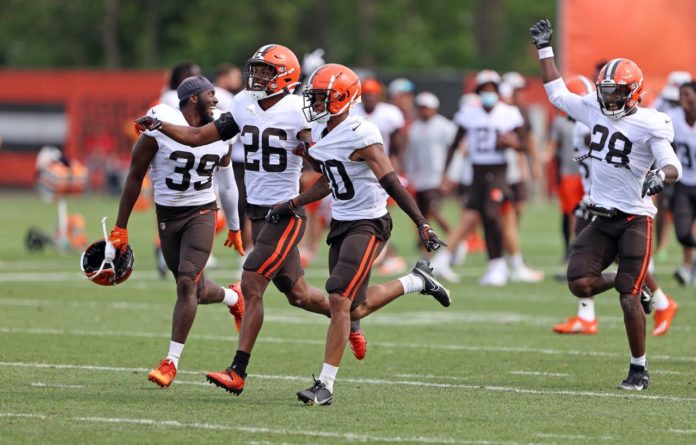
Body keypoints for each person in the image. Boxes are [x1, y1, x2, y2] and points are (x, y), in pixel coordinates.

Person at [134, 45, 366, 396]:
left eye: (265, 72)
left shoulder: (297, 111)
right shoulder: (243, 103)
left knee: (252, 284)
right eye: (255, 70)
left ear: (285, 76)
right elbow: (198, 137)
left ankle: (237, 371)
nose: (257, 76)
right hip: (257, 213)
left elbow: (325, 164)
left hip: (284, 213)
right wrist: (158, 125)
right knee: (299, 295)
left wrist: (308, 154)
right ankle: (348, 318)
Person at [267, 63, 450, 405]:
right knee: (355, 309)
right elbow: (329, 179)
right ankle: (416, 281)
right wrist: (294, 202)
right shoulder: (321, 131)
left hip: (369, 222)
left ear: (342, 98)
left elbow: (390, 180)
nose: (315, 103)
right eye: (315, 97)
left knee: (337, 297)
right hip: (342, 222)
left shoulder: (361, 131)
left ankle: (325, 385)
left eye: (322, 97)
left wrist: (421, 222)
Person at [530, 19, 682, 390]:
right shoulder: (593, 109)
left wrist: (660, 177)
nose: (609, 98)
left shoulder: (652, 123)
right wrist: (544, 50)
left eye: (616, 92)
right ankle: (633, 284)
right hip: (600, 216)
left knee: (628, 299)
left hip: (634, 219)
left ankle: (639, 368)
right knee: (580, 283)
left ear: (634, 93)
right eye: (606, 91)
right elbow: (556, 93)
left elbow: (672, 163)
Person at [110, 76, 245, 388]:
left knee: (186, 283)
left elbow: (226, 182)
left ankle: (170, 362)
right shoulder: (160, 126)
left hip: (202, 212)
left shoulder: (220, 132)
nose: (216, 99)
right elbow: (134, 177)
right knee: (193, 290)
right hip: (168, 216)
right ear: (193, 98)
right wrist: (120, 227)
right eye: (210, 94)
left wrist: (235, 226)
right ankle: (232, 296)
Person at [430, 69, 541, 285]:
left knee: (492, 214)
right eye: (484, 89)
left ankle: (497, 265)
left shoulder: (508, 113)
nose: (488, 93)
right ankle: (507, 265)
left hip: (498, 171)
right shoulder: (469, 114)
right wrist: (446, 172)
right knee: (475, 216)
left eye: (492, 89)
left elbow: (524, 144)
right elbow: (454, 145)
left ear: (498, 91)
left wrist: (514, 144)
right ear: (479, 92)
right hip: (477, 173)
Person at [403, 91, 456, 246]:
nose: (424, 111)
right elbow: (411, 155)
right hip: (420, 179)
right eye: (421, 108)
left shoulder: (445, 126)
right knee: (422, 216)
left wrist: (450, 175)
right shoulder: (415, 128)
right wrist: (410, 176)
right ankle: (426, 250)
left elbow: (456, 152)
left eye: (427, 108)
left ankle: (455, 238)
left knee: (434, 210)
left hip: (438, 177)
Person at [669, 83, 696, 282]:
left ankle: (687, 268)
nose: (682, 98)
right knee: (681, 233)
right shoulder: (673, 117)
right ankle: (689, 266)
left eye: (686, 94)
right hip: (684, 181)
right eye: (680, 95)